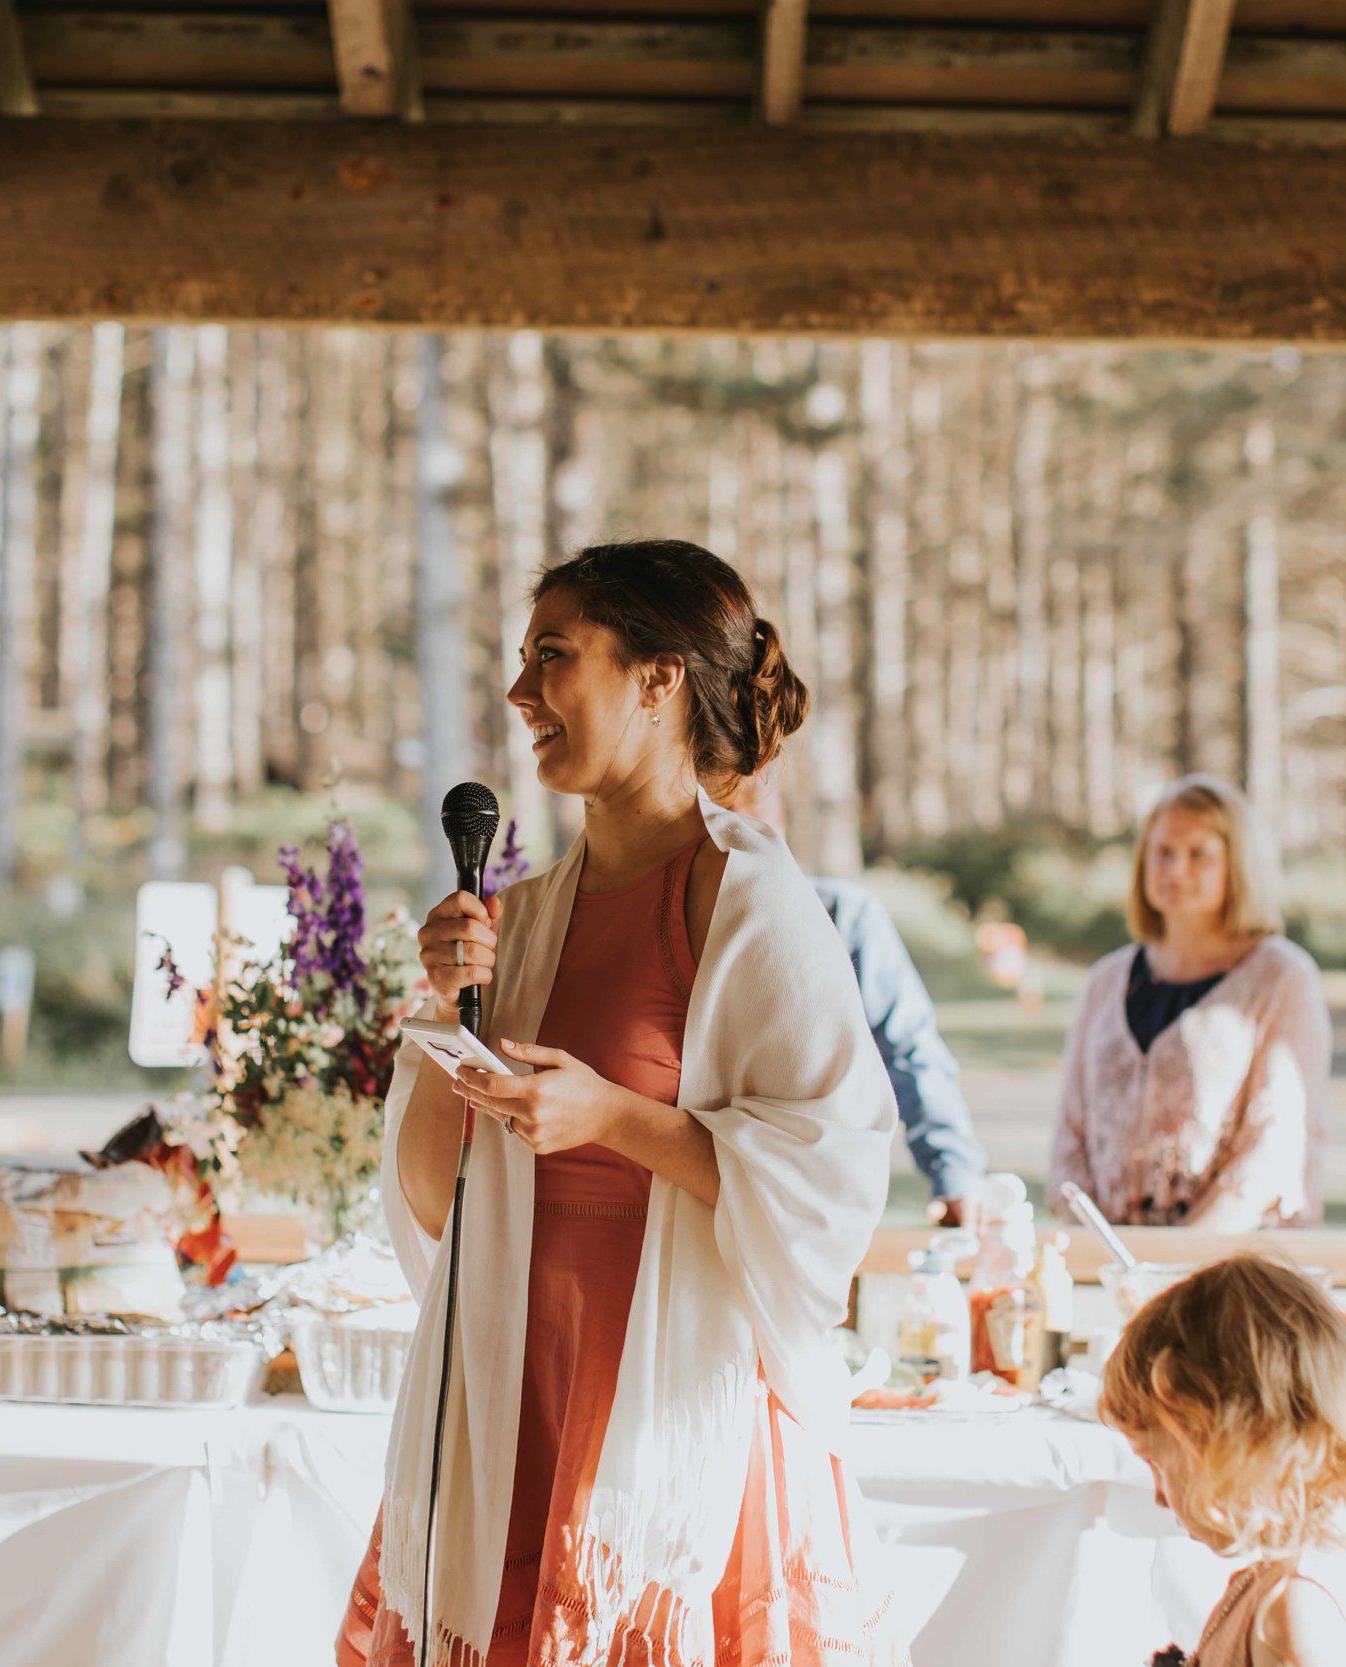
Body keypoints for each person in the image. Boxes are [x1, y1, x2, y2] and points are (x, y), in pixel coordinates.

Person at [339, 540, 906, 1667]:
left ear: (660, 680)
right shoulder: (525, 909)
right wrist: (436, 1009)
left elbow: (834, 1181)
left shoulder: (752, 901)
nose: (519, 693)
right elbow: (433, 1195)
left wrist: (617, 1119)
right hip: (511, 1390)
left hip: (667, 1408)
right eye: (521, 659)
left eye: (553, 655)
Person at [1049, 774, 1331, 1228]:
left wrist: (1178, 1263)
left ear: (1236, 865)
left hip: (1232, 1266)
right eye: (1162, 853)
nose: (1175, 870)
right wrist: (1110, 1257)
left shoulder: (1280, 978)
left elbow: (1273, 1147)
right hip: (1109, 1263)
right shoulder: (1106, 981)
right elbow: (1070, 1137)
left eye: (1199, 854)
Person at [1100, 1256, 1346, 1667]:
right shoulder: (1263, 1584)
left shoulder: (1295, 1614)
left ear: (1243, 1447)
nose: (1158, 1496)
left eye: (1159, 1463)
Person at [731, 772, 987, 1225]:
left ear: (782, 824)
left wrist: (954, 1171)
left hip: (822, 1199)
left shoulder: (845, 918)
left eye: (756, 828)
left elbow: (910, 1047)